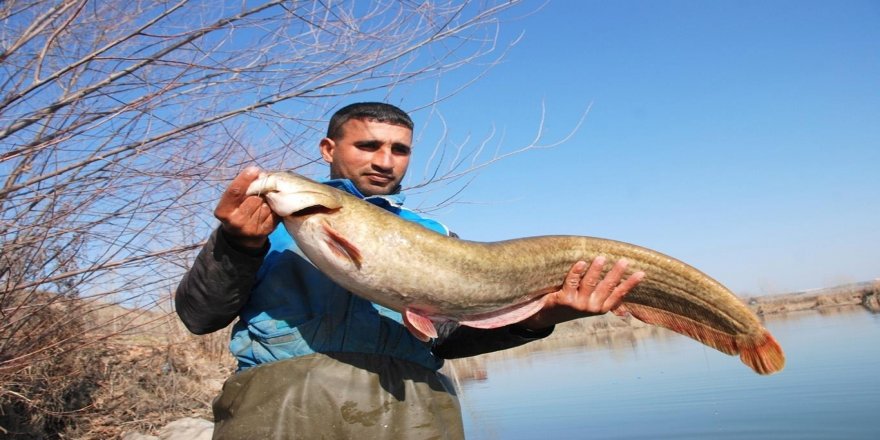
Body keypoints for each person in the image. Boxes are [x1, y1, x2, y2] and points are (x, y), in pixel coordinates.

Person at [175, 102, 644, 439]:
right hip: (282, 410)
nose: (385, 161)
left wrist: (546, 316)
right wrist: (238, 245)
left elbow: (448, 339)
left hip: (415, 414)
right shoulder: (263, 224)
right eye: (368, 145)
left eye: (400, 150)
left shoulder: (434, 234)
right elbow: (200, 317)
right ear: (327, 148)